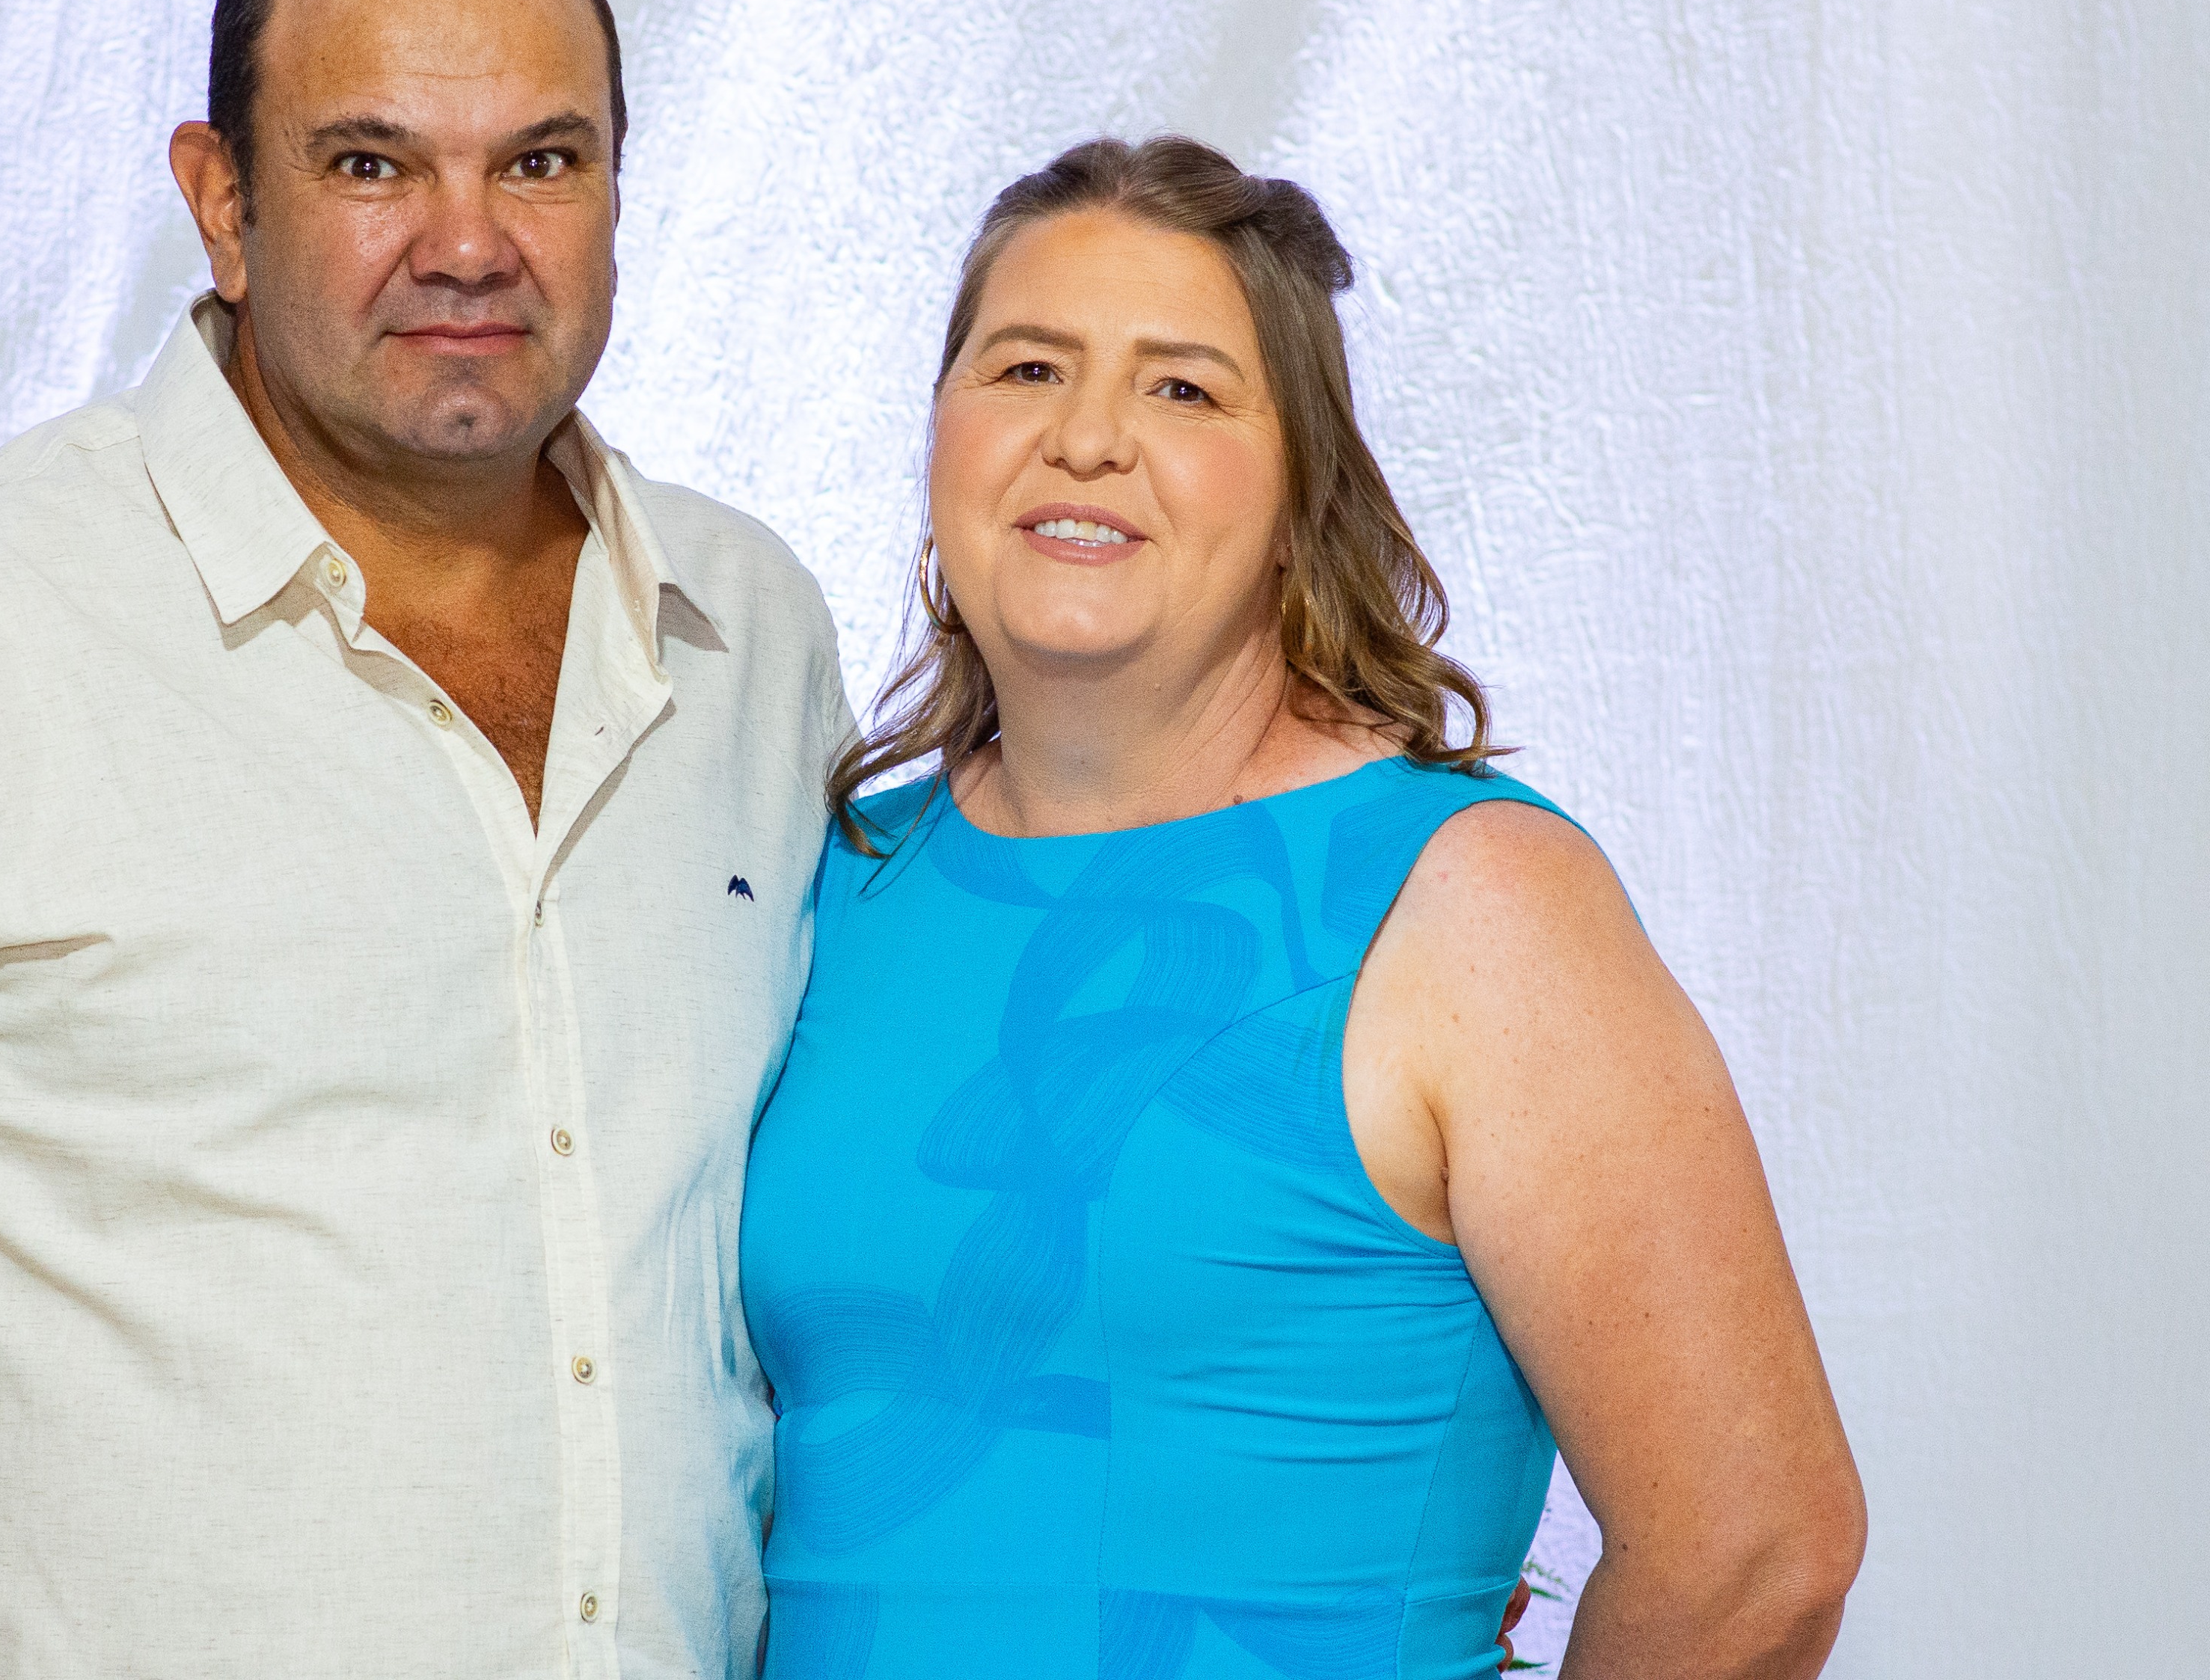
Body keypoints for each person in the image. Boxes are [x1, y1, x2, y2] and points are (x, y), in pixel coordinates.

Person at [0, 0, 852, 1677]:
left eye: (541, 162)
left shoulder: (750, 633)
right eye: (372, 163)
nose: (468, 242)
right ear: (222, 202)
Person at [738, 137, 1867, 1679]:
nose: (1086, 438)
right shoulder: (826, 885)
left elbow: (1755, 1556)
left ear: (1300, 489)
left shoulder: (1471, 905)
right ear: (942, 436)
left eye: (1182, 389)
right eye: (1026, 368)